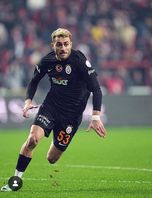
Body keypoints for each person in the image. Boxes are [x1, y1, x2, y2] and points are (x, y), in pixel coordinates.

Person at [1, 28, 106, 192]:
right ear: (53, 45)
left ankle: (55, 135)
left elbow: (96, 89)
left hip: (71, 116)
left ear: (71, 44)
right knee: (32, 140)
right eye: (59, 45)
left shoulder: (79, 61)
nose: (63, 48)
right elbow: (34, 81)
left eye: (66, 44)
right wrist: (28, 101)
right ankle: (15, 181)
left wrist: (96, 116)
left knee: (51, 159)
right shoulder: (47, 61)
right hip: (51, 107)